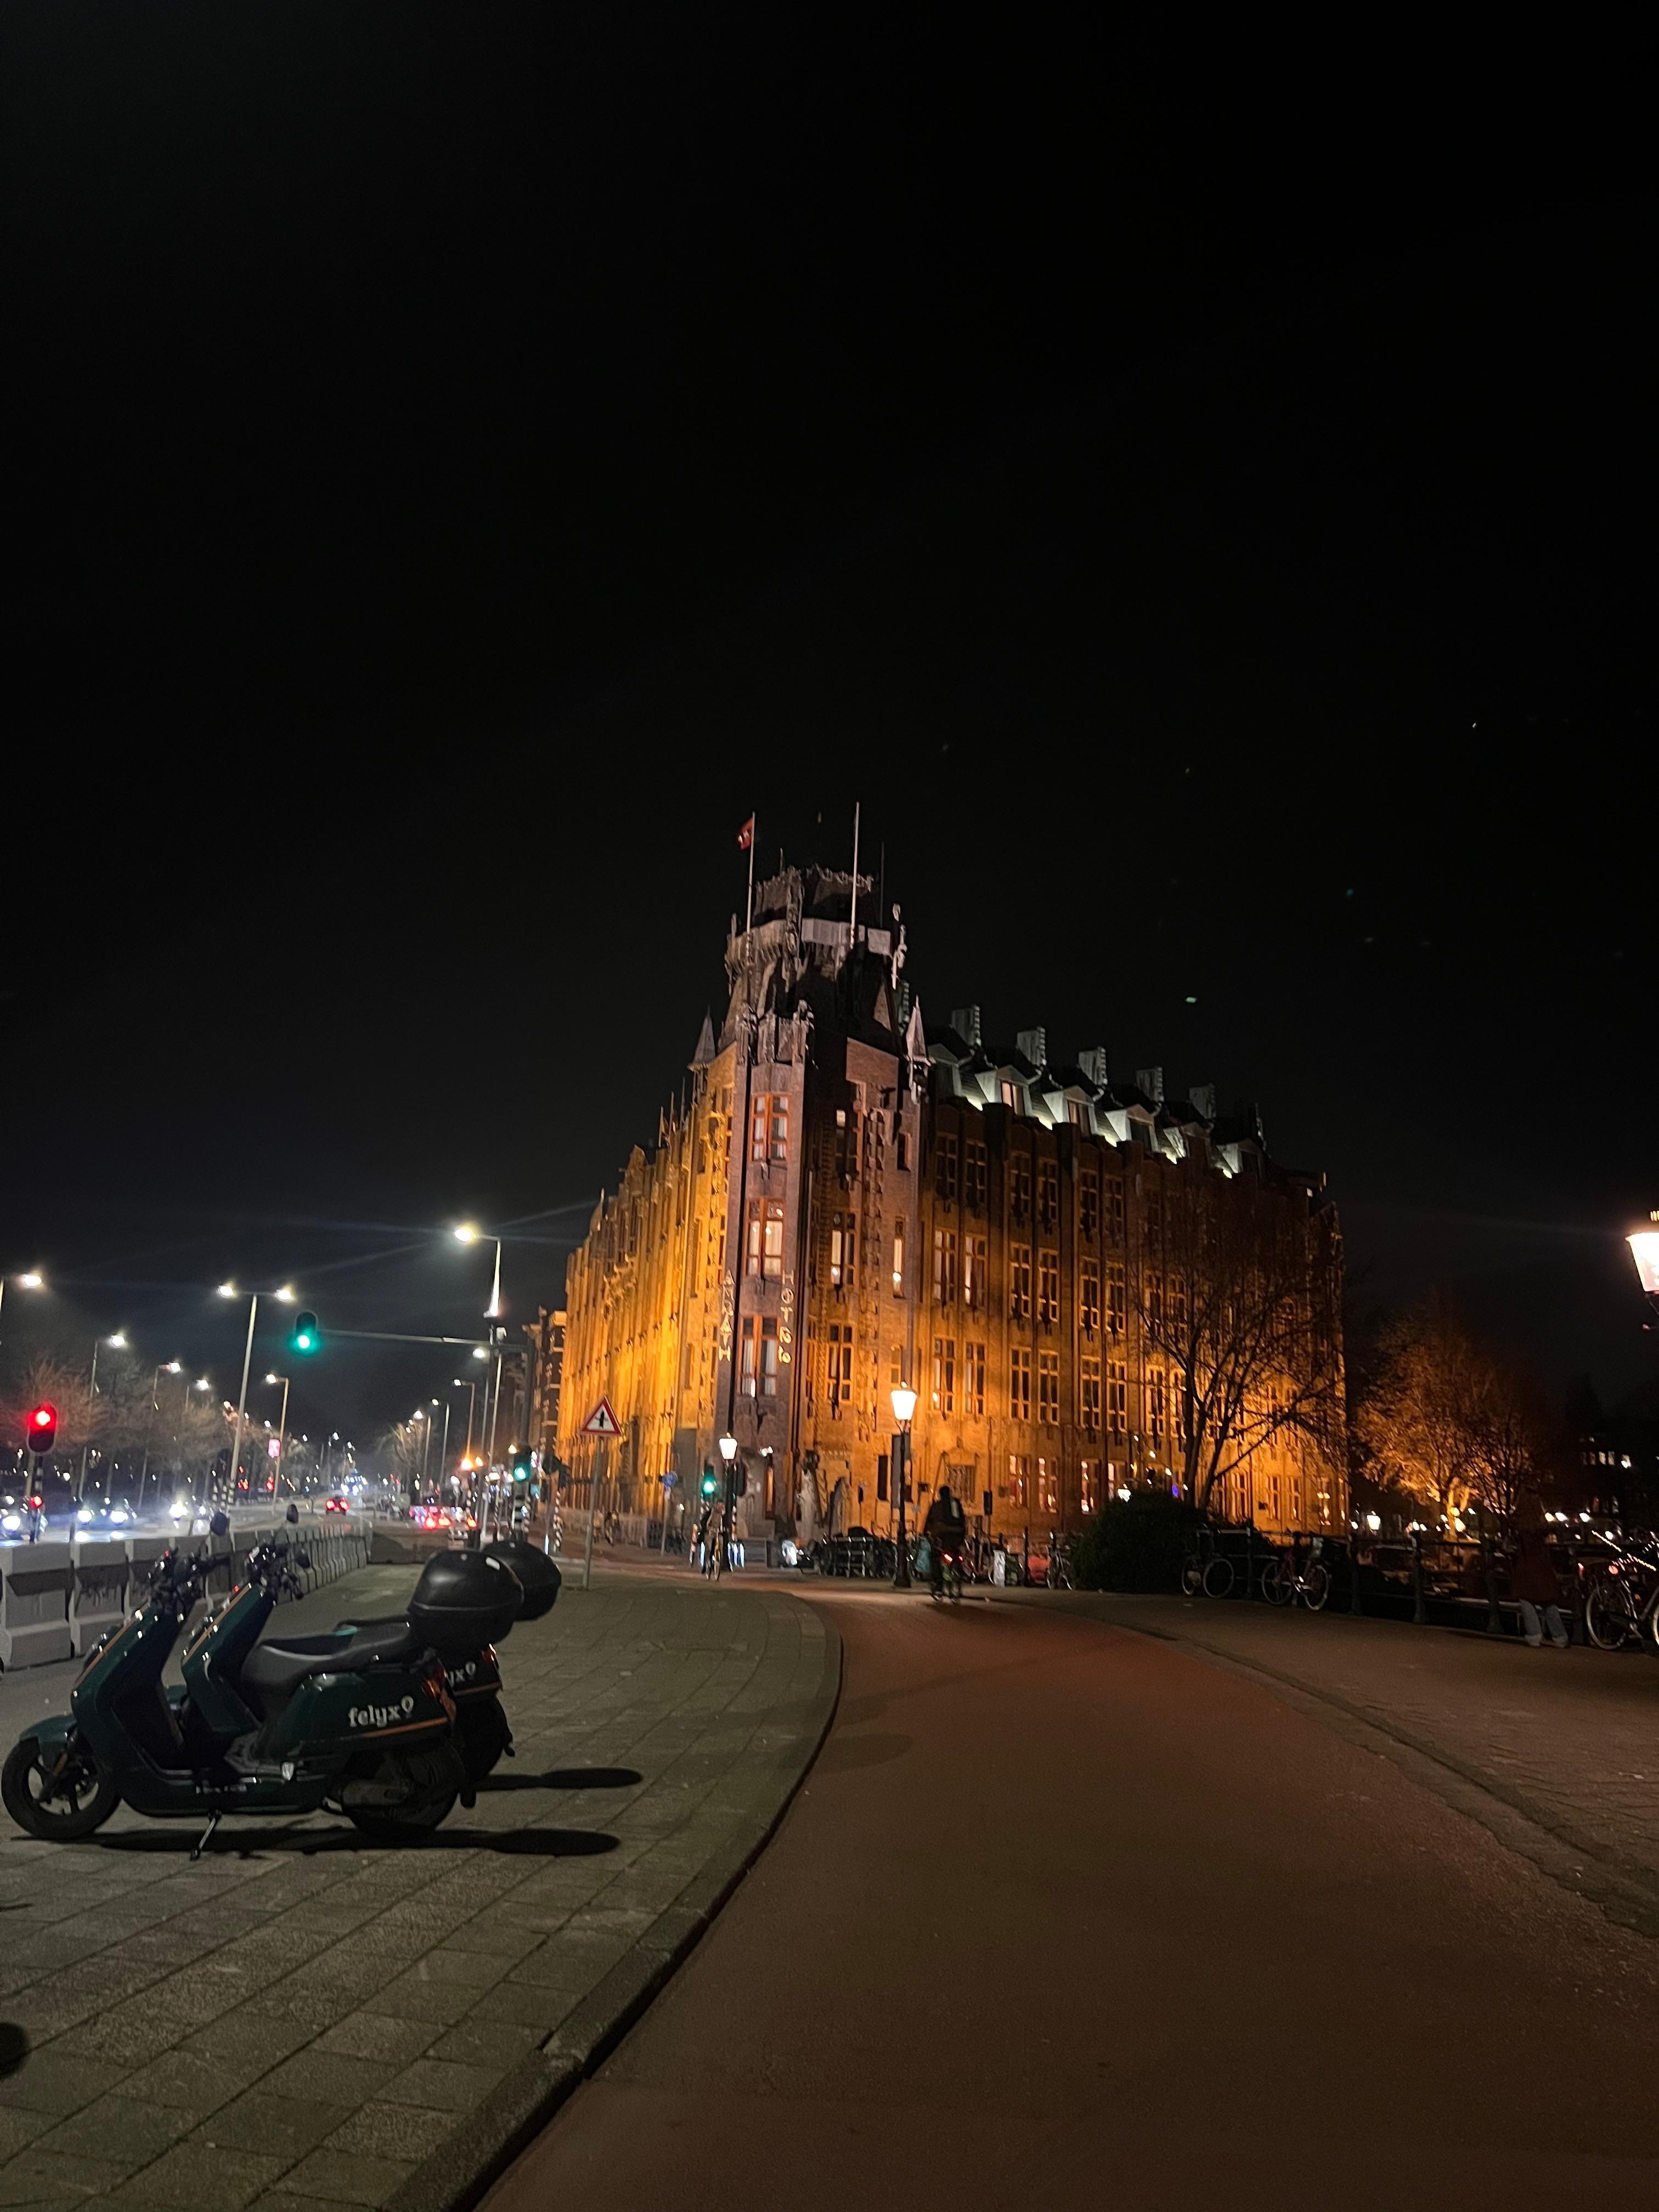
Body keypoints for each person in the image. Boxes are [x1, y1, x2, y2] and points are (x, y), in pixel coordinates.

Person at [1511, 1492, 1569, 1649]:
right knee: (1548, 1600)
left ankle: (1535, 1635)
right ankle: (1560, 1636)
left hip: (1526, 1566)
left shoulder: (1519, 1525)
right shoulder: (1542, 1526)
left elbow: (1513, 1543)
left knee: (1526, 1599)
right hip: (1543, 1566)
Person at [923, 1482, 967, 1598]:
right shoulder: (956, 1504)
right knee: (958, 1555)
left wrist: (925, 1533)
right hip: (957, 1536)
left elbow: (929, 1522)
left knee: (935, 1558)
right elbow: (963, 1519)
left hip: (943, 1537)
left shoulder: (937, 1506)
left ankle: (938, 1585)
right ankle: (959, 1576)